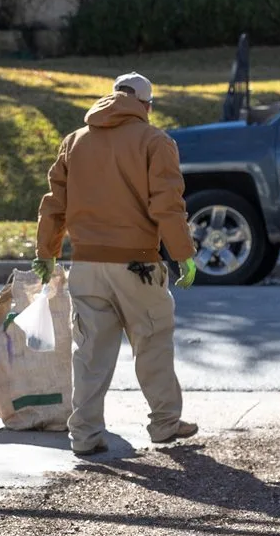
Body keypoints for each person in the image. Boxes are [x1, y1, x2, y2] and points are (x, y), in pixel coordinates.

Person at [32, 72, 198, 457]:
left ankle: (85, 435)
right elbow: (167, 205)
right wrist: (183, 254)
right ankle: (165, 422)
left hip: (86, 266)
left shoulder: (74, 141)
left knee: (90, 355)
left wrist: (47, 252)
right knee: (153, 344)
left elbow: (54, 204)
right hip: (137, 265)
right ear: (146, 105)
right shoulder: (155, 141)